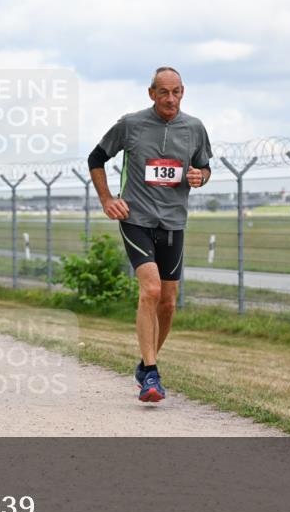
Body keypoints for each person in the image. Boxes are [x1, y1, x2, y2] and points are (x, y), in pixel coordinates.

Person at [87, 66, 212, 403]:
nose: (170, 99)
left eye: (176, 92)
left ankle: (145, 364)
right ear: (151, 93)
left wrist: (201, 176)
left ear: (183, 91)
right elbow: (96, 158)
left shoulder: (195, 129)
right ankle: (152, 377)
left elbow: (204, 168)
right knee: (151, 290)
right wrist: (107, 200)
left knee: (168, 302)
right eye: (163, 92)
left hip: (174, 222)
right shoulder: (131, 124)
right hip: (137, 218)